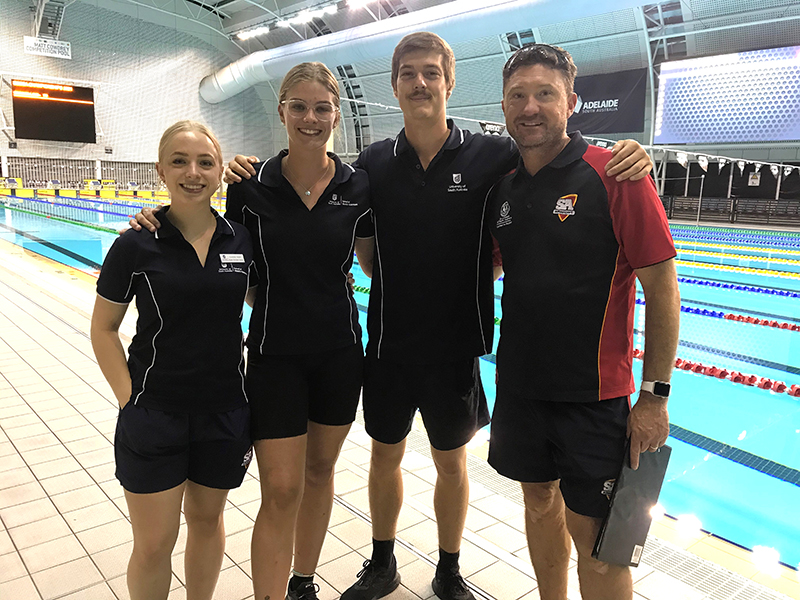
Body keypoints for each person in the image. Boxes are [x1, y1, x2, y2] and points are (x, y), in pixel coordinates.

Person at [225, 33, 653, 600]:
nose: (420, 83)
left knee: (452, 465)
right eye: (409, 73)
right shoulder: (374, 162)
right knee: (385, 456)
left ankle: (449, 568)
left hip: (457, 348)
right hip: (387, 347)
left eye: (431, 72)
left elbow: (552, 156)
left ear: (449, 83)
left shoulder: (492, 155)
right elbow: (362, 248)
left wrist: (628, 152)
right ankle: (382, 562)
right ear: (395, 85)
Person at [132, 63, 374, 600]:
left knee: (319, 474)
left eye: (322, 108)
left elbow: (374, 262)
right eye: (299, 107)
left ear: (335, 113)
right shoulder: (248, 183)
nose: (310, 118)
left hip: (339, 352)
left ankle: (303, 584)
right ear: (282, 111)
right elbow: (212, 235)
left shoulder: (359, 185)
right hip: (273, 355)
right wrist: (152, 218)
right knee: (282, 489)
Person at [487, 44, 680, 600]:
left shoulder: (615, 174)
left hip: (595, 400)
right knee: (538, 505)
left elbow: (663, 290)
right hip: (521, 391)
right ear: (503, 106)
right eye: (518, 96)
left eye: (545, 94)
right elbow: (499, 265)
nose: (530, 107)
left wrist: (655, 396)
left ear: (571, 102)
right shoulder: (504, 188)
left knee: (600, 551)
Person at [91, 120, 257, 600]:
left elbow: (259, 300)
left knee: (207, 523)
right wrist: (130, 401)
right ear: (161, 170)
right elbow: (103, 330)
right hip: (154, 415)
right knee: (154, 542)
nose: (193, 172)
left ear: (220, 170)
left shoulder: (240, 240)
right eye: (180, 162)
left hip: (225, 411)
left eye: (205, 162)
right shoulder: (135, 244)